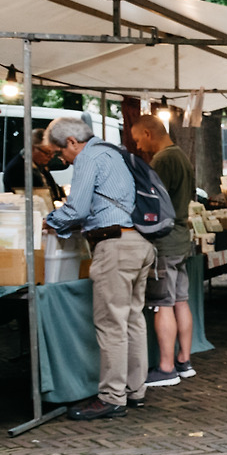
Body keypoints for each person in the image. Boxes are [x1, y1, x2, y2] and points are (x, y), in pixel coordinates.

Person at [43, 117, 155, 418]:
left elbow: (77, 208)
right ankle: (135, 390)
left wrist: (50, 222)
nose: (61, 159)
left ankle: (112, 397)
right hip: (138, 242)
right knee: (133, 319)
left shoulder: (88, 157)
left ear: (71, 142)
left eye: (59, 152)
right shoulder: (113, 151)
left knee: (111, 324)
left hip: (115, 245)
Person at [131, 115, 196, 388]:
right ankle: (184, 360)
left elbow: (151, 204)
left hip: (165, 242)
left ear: (148, 133)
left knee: (163, 304)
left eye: (137, 139)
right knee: (180, 299)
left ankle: (167, 367)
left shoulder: (161, 161)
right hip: (181, 237)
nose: (138, 146)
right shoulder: (181, 155)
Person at [2, 127, 67, 203]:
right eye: (47, 153)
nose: (51, 157)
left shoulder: (40, 166)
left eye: (53, 153)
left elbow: (51, 187)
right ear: (32, 149)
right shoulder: (17, 169)